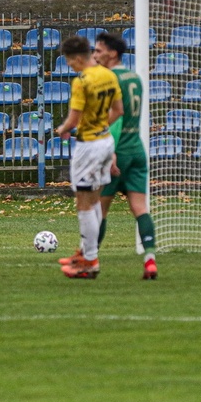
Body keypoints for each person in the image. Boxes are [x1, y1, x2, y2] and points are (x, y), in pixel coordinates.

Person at [83, 31, 158, 279]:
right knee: (140, 208)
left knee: (99, 210)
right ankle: (150, 259)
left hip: (117, 150)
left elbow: (116, 115)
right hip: (137, 148)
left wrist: (111, 151)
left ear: (112, 53)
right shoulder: (134, 77)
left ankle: (89, 261)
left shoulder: (109, 78)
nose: (95, 54)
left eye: (99, 50)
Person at [54, 36, 123, 279]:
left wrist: (62, 130)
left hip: (89, 146)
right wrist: (101, 127)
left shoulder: (81, 81)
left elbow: (73, 120)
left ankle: (89, 260)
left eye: (69, 61)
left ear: (77, 58)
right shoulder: (108, 74)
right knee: (94, 200)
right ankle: (86, 254)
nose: (69, 65)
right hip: (106, 142)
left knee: (83, 201)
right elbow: (118, 110)